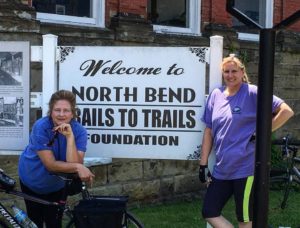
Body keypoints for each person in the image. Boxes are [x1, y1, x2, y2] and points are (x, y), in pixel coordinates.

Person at [198, 55, 294, 228]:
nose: (230, 75)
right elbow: (209, 131)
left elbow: (286, 111)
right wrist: (203, 164)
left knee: (245, 220)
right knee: (209, 211)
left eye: (234, 71)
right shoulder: (216, 95)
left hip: (245, 168)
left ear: (242, 72)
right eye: (226, 71)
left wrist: (261, 133)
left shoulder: (252, 92)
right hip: (222, 169)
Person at [18, 90, 95, 228]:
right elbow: (51, 165)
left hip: (57, 184)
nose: (61, 114)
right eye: (57, 110)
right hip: (32, 179)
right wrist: (79, 167)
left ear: (72, 113)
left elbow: (73, 165)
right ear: (51, 111)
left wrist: (70, 137)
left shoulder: (79, 131)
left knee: (54, 222)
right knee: (34, 222)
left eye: (66, 110)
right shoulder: (41, 127)